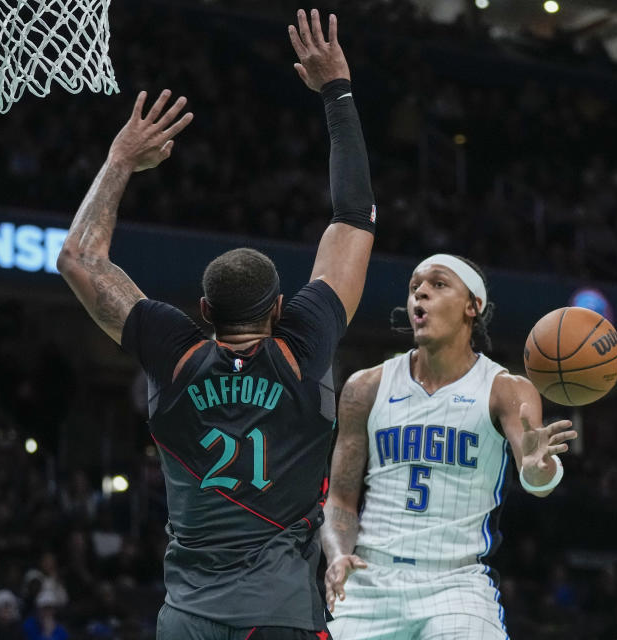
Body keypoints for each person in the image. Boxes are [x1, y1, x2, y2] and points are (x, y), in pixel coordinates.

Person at [56, 8, 374, 640]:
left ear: (203, 314)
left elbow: (79, 258)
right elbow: (353, 218)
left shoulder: (171, 352)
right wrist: (337, 92)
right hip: (279, 616)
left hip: (188, 620)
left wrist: (120, 158)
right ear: (280, 311)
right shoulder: (302, 347)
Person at [322, 254, 577, 639]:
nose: (420, 292)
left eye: (438, 284)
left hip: (455, 583)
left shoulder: (505, 389)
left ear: (474, 306)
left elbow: (537, 479)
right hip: (369, 579)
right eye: (414, 287)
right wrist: (338, 553)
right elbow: (340, 500)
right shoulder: (365, 388)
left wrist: (541, 467)